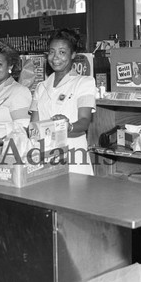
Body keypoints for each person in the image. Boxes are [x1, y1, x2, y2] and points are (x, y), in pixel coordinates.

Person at [30, 29, 97, 176]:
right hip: (45, 157)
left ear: (73, 54)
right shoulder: (41, 87)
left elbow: (85, 121)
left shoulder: (84, 83)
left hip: (73, 157)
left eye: (62, 52)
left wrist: (69, 126)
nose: (55, 58)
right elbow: (33, 127)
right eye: (52, 52)